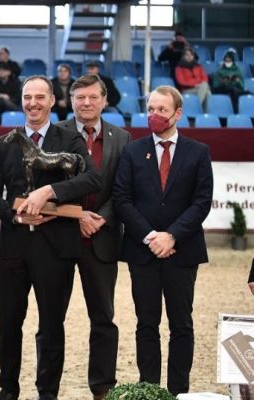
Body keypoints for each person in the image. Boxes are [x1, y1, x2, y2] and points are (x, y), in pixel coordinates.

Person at [0, 76, 101, 400]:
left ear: (52, 101)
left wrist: (51, 191)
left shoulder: (70, 138)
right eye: (27, 97)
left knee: (51, 325)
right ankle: (8, 389)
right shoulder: (4, 142)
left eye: (39, 97)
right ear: (21, 101)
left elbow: (93, 178)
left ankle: (47, 392)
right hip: (15, 247)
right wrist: (15, 215)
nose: (33, 103)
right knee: (9, 323)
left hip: (57, 248)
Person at [112, 85, 213, 396]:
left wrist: (172, 236)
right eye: (150, 109)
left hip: (182, 252)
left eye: (161, 110)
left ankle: (178, 391)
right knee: (147, 324)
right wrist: (149, 236)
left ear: (177, 113)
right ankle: (150, 389)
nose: (154, 115)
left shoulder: (198, 152)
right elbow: (122, 199)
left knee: (181, 324)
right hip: (143, 252)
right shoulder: (132, 150)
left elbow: (202, 202)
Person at [55, 74, 131, 400]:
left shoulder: (123, 138)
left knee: (103, 319)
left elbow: (124, 188)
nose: (86, 103)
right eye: (79, 98)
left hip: (102, 239)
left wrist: (101, 218)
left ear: (104, 100)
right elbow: (46, 186)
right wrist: (77, 216)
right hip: (57, 240)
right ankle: (48, 389)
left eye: (92, 97)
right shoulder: (54, 134)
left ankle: (103, 389)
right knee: (51, 320)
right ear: (70, 101)